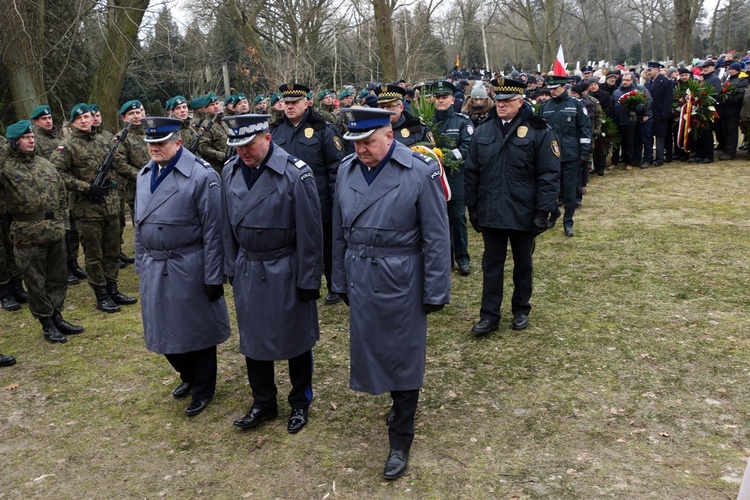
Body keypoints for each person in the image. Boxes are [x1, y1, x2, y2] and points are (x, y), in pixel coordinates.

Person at [331, 107, 451, 480]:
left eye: (367, 142)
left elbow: (436, 236)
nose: (360, 150)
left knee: (403, 358)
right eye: (355, 143)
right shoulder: (346, 169)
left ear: (389, 134)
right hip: (361, 276)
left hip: (402, 278)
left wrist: (435, 289)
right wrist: (338, 279)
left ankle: (401, 437)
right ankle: (395, 405)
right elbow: (338, 231)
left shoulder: (418, 171)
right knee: (373, 350)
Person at [223, 114, 323, 434]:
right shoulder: (230, 172)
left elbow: (311, 232)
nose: (244, 152)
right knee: (253, 340)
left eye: (249, 144)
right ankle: (263, 401)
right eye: (237, 146)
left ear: (268, 138)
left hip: (285, 267)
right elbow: (225, 226)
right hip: (249, 266)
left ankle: (299, 402)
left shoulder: (296, 174)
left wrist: (308, 278)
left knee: (295, 339)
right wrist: (231, 267)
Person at [134, 117, 230, 416]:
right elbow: (140, 224)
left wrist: (214, 275)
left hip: (188, 263)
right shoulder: (144, 174)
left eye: (161, 142)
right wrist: (141, 263)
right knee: (162, 331)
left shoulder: (202, 176)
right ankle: (188, 375)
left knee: (197, 331)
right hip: (155, 263)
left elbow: (215, 231)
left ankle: (204, 387)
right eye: (150, 143)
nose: (154, 148)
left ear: (178, 142)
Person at [466, 78, 560, 334]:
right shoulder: (483, 131)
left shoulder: (539, 130)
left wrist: (543, 211)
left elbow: (549, 174)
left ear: (521, 101)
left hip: (524, 210)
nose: (501, 105)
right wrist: (472, 207)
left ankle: (521, 310)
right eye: (499, 101)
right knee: (491, 265)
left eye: (508, 101)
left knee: (523, 264)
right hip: (491, 209)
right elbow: (472, 172)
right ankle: (489, 316)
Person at [51, 103, 140, 313]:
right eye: (79, 117)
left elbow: (116, 165)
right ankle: (101, 294)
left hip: (109, 206)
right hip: (86, 210)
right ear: (73, 122)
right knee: (94, 255)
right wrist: (85, 187)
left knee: (112, 251)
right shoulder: (67, 146)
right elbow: (56, 174)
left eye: (87, 116)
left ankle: (112, 287)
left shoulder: (104, 140)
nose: (84, 120)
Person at [1, 121, 83, 343]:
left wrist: (64, 225)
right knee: (35, 282)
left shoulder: (45, 164)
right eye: (25, 137)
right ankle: (46, 322)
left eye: (31, 136)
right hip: (27, 234)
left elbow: (61, 196)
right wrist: (7, 148)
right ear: (13, 142)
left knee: (57, 279)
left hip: (54, 231)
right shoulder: (6, 168)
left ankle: (57, 315)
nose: (31, 140)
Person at [269, 83, 343, 305]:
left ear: (306, 103)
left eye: (294, 103)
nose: (289, 107)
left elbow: (335, 168)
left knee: (326, 245)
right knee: (293, 245)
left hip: (319, 200)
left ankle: (334, 286)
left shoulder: (323, 129)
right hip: (286, 200)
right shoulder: (275, 131)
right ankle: (299, 283)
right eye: (286, 103)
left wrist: (335, 201)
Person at [538, 75, 590, 237]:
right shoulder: (545, 106)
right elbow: (539, 131)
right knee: (548, 189)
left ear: (564, 87)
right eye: (550, 89)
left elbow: (585, 129)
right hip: (549, 155)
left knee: (569, 190)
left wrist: (585, 152)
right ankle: (553, 213)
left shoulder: (576, 105)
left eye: (555, 89)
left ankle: (568, 222)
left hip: (570, 154)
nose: (552, 91)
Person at [430, 80, 473, 274]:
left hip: (455, 177)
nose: (440, 101)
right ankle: (444, 259)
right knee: (438, 220)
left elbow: (467, 146)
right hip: (433, 179)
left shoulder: (462, 121)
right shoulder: (427, 123)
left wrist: (444, 158)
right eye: (437, 97)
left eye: (444, 97)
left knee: (457, 218)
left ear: (452, 99)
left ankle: (462, 258)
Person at [644, 62, 673, 166]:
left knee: (660, 137)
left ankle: (660, 158)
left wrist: (664, 113)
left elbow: (668, 99)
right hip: (650, 113)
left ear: (656, 69)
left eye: (650, 70)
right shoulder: (648, 83)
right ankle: (649, 157)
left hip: (660, 113)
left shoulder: (665, 82)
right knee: (650, 136)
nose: (648, 72)